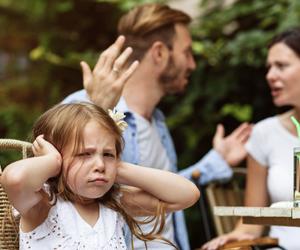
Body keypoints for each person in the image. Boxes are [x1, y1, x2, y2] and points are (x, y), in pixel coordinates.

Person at [63, 3, 252, 249]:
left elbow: (155, 194)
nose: (192, 64)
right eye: (187, 53)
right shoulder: (83, 107)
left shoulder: (157, 122)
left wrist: (215, 163)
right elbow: (54, 189)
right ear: (160, 53)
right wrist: (97, 107)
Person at [1, 102, 200, 250]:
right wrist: (53, 162)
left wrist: (119, 169)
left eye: (107, 154)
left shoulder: (114, 204)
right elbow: (15, 179)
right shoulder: (42, 204)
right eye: (84, 154)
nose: (99, 165)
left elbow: (187, 195)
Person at [201, 27, 300, 250]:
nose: (270, 75)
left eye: (281, 66)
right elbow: (253, 222)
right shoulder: (265, 134)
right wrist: (237, 235)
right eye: (269, 67)